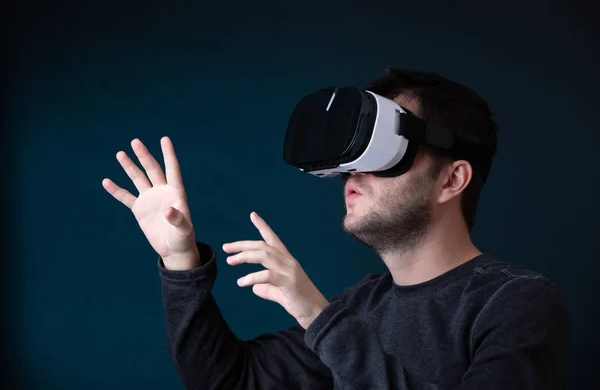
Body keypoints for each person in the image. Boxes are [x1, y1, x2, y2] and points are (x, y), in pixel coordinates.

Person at [102, 68, 571, 389]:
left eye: (382, 149)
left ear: (452, 179)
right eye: (352, 155)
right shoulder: (361, 307)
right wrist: (181, 261)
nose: (352, 173)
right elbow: (230, 381)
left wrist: (320, 317)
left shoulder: (517, 301)